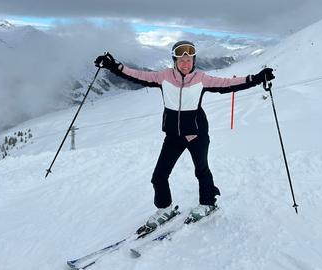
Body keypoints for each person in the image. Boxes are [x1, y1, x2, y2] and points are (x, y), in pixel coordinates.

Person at [94, 40, 274, 227]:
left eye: (189, 60)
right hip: (173, 136)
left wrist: (256, 78)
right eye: (181, 60)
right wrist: (113, 66)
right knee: (159, 176)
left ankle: (208, 204)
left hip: (197, 134)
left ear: (194, 61)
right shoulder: (163, 77)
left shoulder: (201, 78)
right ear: (175, 61)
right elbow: (137, 75)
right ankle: (165, 209)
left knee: (201, 171)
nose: (186, 64)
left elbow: (228, 84)